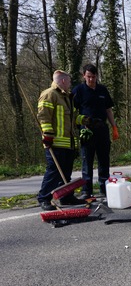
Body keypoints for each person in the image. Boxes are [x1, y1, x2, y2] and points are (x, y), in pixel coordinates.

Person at [37, 70, 90, 211]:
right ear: (63, 81)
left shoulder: (67, 97)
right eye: (70, 81)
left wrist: (85, 120)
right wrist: (47, 135)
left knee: (66, 172)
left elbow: (71, 119)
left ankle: (66, 197)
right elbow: (43, 116)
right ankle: (44, 198)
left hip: (68, 142)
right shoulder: (49, 94)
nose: (71, 84)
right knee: (53, 172)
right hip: (55, 142)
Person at [72, 63, 118, 199]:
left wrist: (114, 126)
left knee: (104, 160)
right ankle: (86, 190)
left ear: (97, 76)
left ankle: (105, 189)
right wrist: (81, 122)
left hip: (102, 129)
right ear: (83, 76)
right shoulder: (78, 91)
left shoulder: (102, 90)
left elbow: (108, 109)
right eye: (88, 77)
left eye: (93, 77)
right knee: (87, 161)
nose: (91, 80)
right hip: (87, 130)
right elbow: (72, 112)